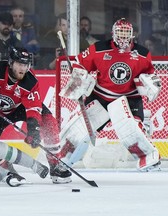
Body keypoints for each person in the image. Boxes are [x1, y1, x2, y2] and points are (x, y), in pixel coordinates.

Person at [61, 18, 161, 171]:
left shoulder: (142, 54)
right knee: (82, 131)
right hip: (101, 96)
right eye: (120, 33)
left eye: (126, 33)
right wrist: (79, 78)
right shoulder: (99, 49)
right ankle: (63, 158)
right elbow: (79, 63)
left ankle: (148, 158)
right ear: (113, 34)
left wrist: (150, 84)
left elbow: (149, 77)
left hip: (130, 98)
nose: (123, 37)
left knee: (132, 128)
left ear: (132, 35)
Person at [0, 47, 72, 184]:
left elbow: (33, 108)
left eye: (26, 65)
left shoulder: (30, 81)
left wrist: (34, 129)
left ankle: (55, 165)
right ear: (11, 63)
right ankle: (6, 170)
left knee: (48, 121)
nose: (23, 68)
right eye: (19, 64)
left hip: (19, 108)